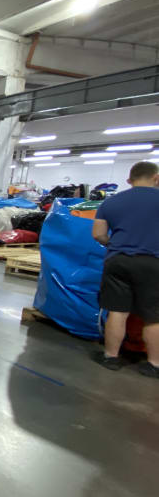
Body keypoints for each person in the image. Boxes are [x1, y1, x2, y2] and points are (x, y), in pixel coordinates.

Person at [90, 161, 159, 377]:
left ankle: (111, 357)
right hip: (153, 262)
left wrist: (114, 244)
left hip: (118, 260)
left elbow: (98, 234)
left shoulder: (111, 202)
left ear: (129, 180)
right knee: (153, 315)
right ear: (156, 178)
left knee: (117, 312)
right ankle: (154, 364)